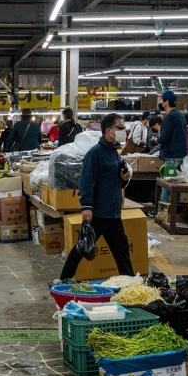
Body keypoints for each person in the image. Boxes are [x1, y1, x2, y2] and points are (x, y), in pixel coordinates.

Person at [59, 113, 136, 280]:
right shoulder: (95, 154)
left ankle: (130, 283)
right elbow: (87, 182)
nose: (123, 131)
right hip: (98, 213)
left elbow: (113, 181)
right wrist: (86, 206)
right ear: (109, 130)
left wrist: (123, 179)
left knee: (122, 252)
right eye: (120, 127)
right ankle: (64, 279)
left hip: (113, 214)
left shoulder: (114, 153)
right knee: (82, 248)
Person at [157, 91, 188, 204]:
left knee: (167, 185)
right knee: (176, 187)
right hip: (180, 156)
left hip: (172, 157)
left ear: (166, 102)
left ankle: (163, 211)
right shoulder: (179, 115)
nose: (160, 102)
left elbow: (164, 138)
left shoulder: (170, 117)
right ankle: (175, 211)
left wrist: (156, 140)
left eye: (161, 100)